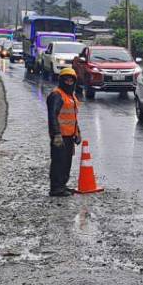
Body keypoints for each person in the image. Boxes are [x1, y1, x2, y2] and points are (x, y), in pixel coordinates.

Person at [46, 68, 82, 197]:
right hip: (60, 136)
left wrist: (77, 132)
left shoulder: (70, 96)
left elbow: (73, 117)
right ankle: (56, 188)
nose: (69, 82)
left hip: (69, 136)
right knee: (58, 163)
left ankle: (62, 185)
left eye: (71, 79)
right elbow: (52, 116)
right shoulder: (57, 95)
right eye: (66, 79)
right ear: (61, 80)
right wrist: (56, 134)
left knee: (66, 163)